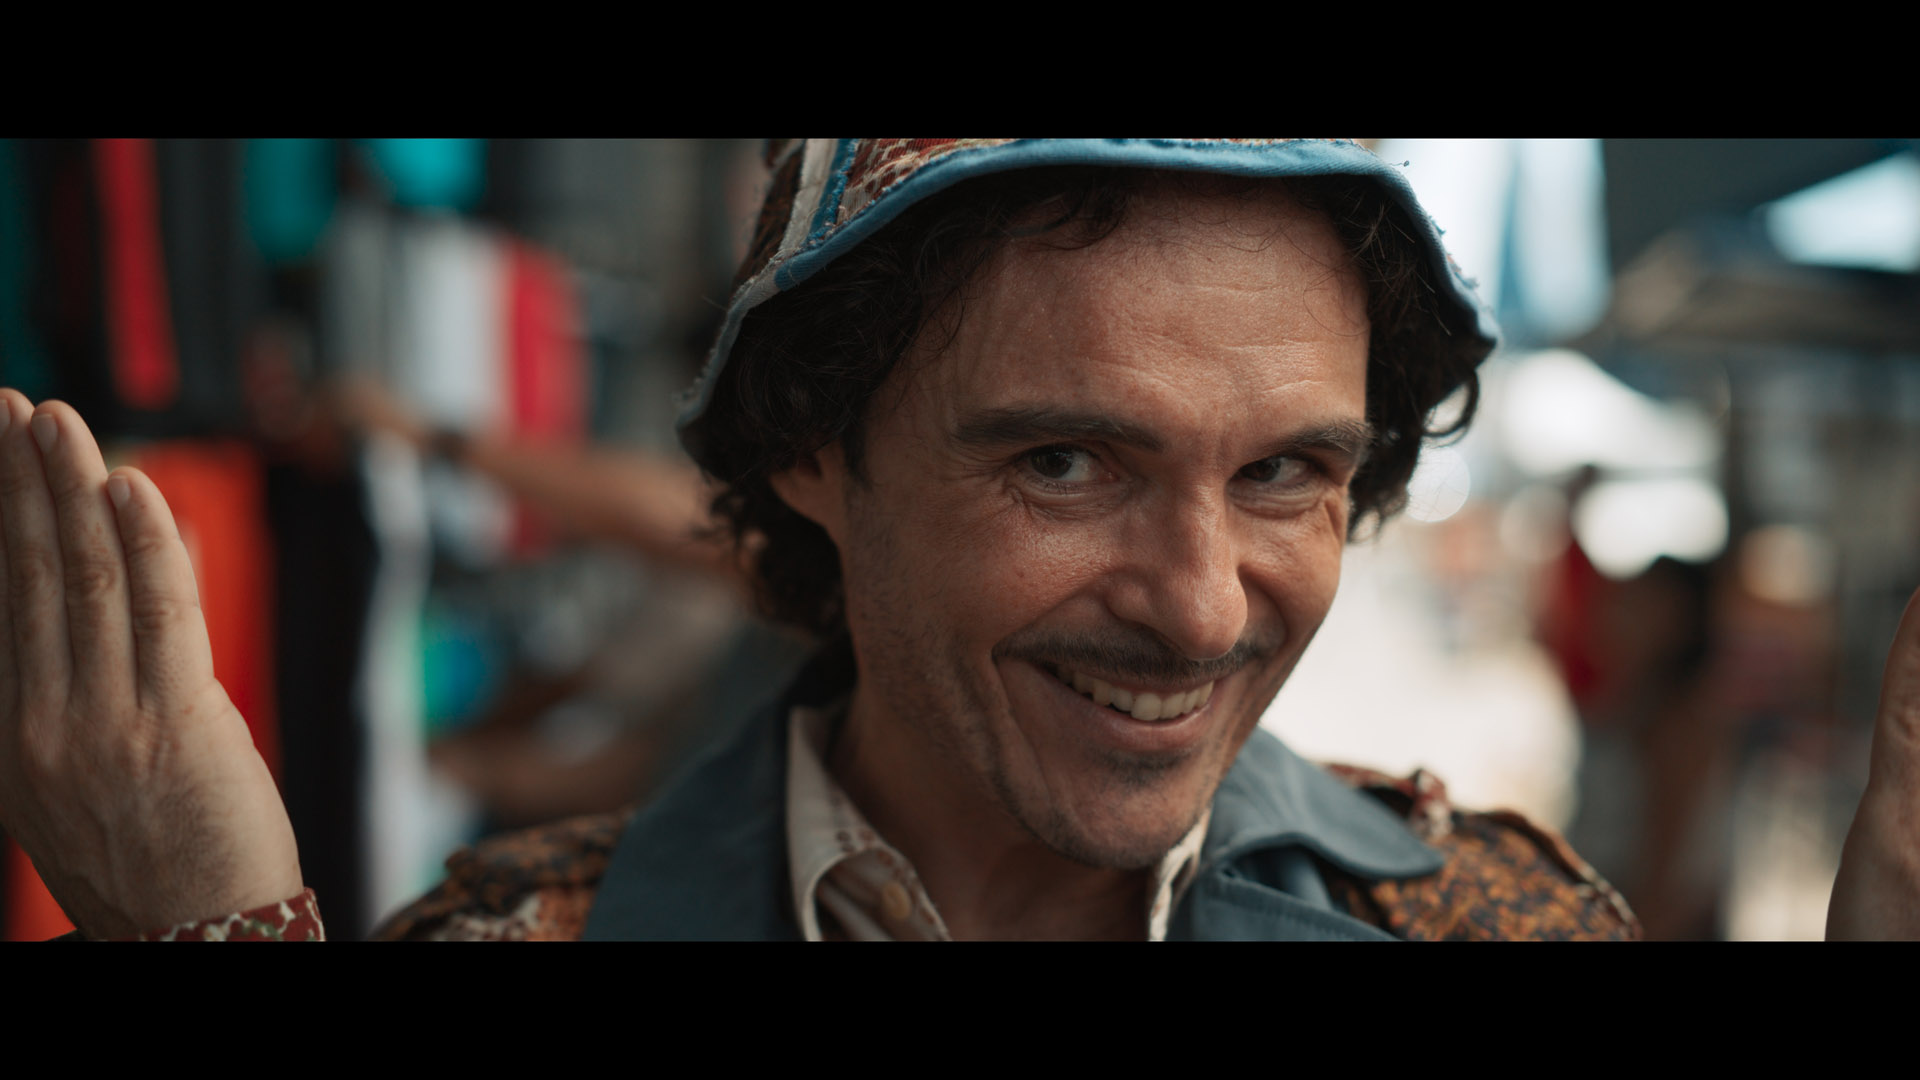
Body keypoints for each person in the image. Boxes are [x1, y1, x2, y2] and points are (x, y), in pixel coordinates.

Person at [3, 138, 1917, 941]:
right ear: (813, 451)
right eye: (1065, 464)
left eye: (1286, 474)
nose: (1198, 610)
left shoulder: (1499, 925)